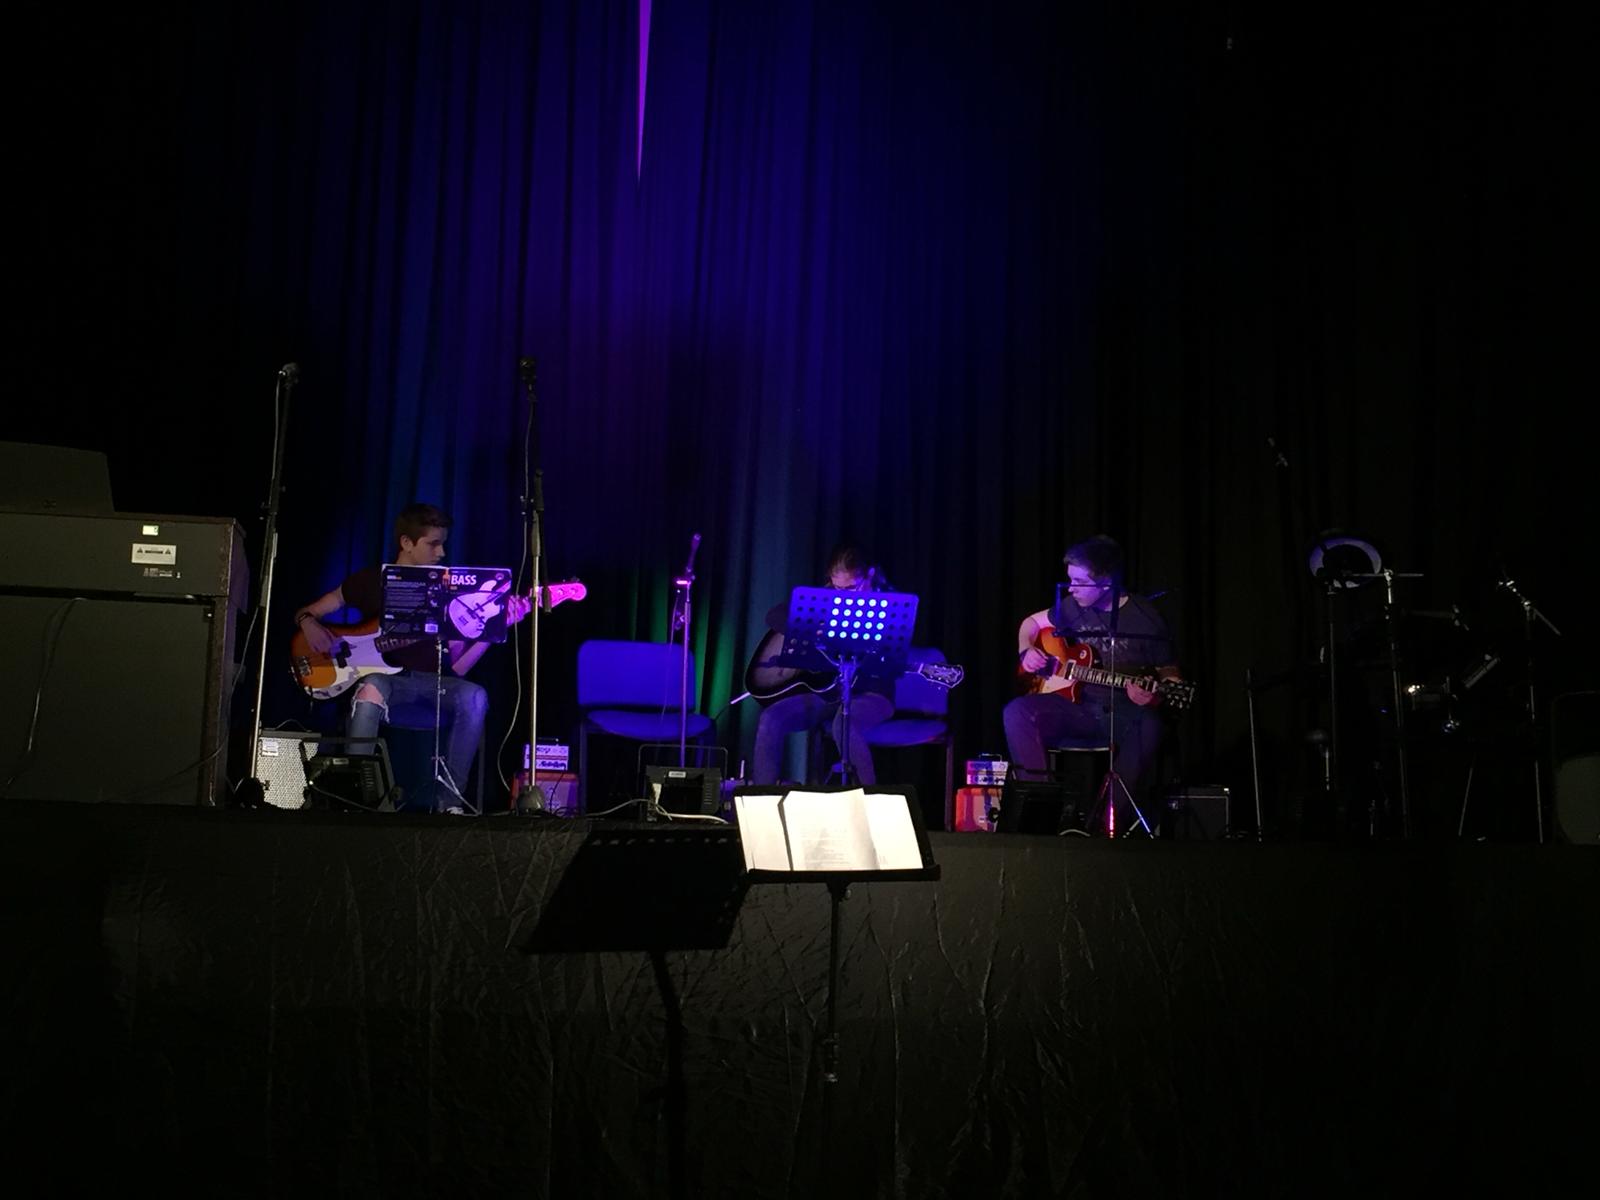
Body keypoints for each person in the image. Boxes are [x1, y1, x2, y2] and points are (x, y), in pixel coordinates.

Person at [293, 503, 529, 812]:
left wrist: (496, 627)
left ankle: (449, 803)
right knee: (370, 687)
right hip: (387, 685)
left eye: (443, 544)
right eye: (433, 543)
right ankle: (359, 799)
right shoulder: (371, 580)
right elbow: (308, 611)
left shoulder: (448, 591)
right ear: (406, 542)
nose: (441, 552)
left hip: (433, 686)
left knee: (475, 696)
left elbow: (460, 666)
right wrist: (308, 623)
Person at [1003, 535, 1181, 830]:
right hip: (1081, 709)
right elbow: (1031, 624)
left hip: (1127, 713)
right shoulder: (1073, 607)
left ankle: (1105, 824)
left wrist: (1156, 696)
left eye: (1080, 581)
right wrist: (1026, 649)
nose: (1071, 588)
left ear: (1107, 581)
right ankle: (1040, 813)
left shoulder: (1147, 618)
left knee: (1152, 724)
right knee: (1018, 711)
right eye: (1070, 580)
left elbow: (1169, 671)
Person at [746, 544, 896, 786]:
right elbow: (774, 616)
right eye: (838, 588)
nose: (844, 596)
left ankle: (869, 799)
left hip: (871, 695)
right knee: (771, 718)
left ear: (868, 575)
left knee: (843, 726)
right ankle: (762, 798)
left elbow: (888, 662)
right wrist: (811, 632)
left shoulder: (889, 606)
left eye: (851, 588)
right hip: (828, 695)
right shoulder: (824, 599)